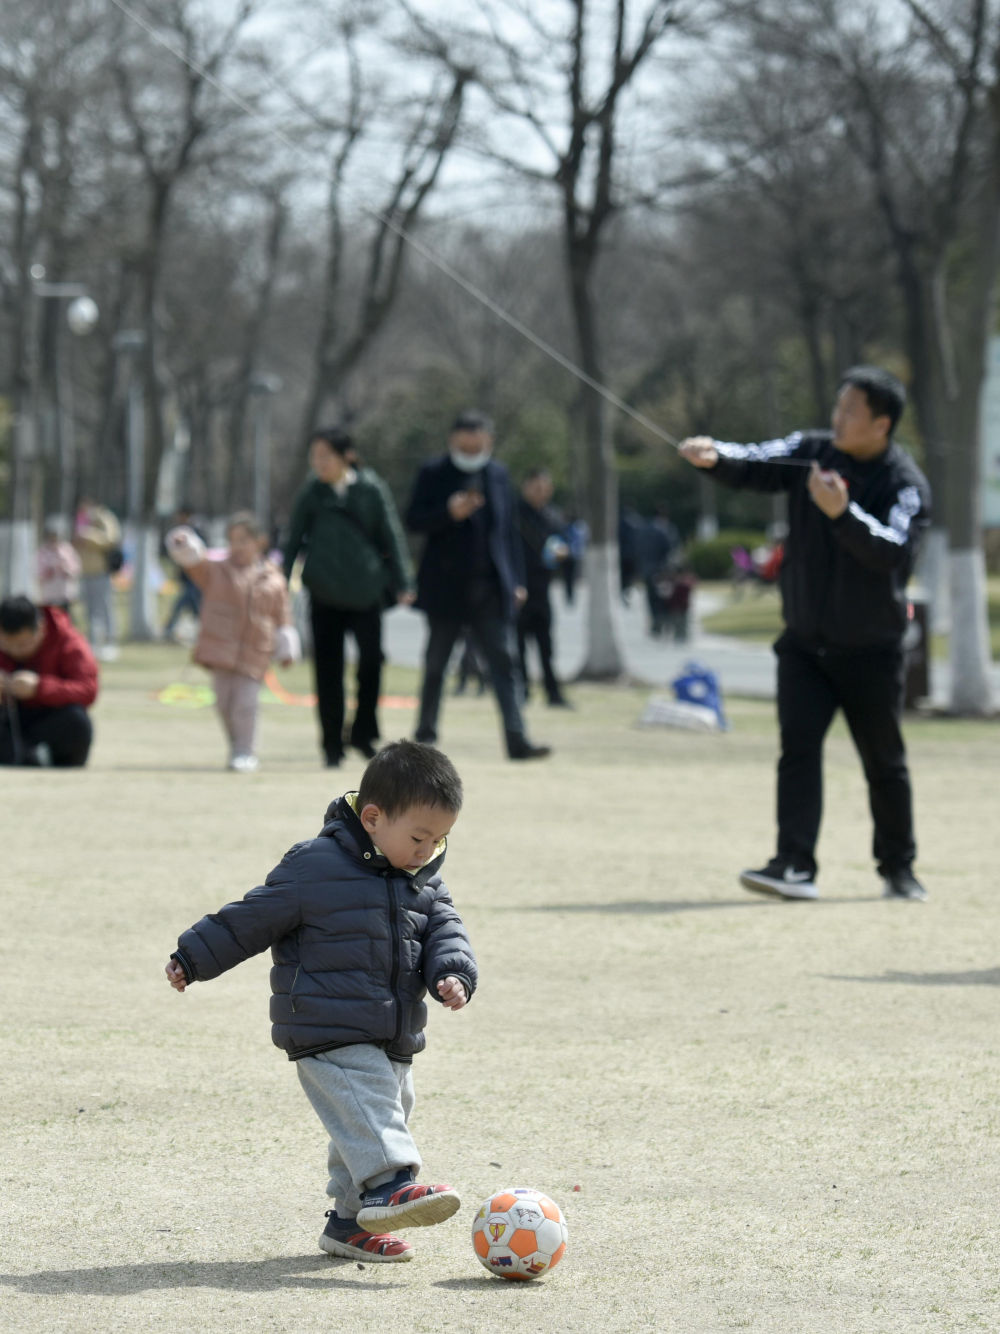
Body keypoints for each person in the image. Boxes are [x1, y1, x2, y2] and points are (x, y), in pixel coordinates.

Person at [164, 740, 477, 1264]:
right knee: (371, 1106)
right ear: (373, 818)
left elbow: (447, 932)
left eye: (439, 840)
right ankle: (390, 1185)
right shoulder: (316, 864)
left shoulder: (424, 881)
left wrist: (453, 973)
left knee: (384, 1109)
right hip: (324, 1021)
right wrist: (194, 957)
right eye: (418, 837)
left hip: (392, 1029)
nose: (426, 851)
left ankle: (351, 1224)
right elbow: (251, 918)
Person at [680, 364, 931, 902]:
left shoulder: (906, 485)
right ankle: (793, 863)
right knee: (798, 750)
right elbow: (760, 459)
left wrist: (843, 513)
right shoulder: (814, 450)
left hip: (871, 650)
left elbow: (892, 551)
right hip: (804, 644)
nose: (837, 419)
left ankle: (898, 867)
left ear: (881, 424)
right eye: (837, 407)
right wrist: (716, 456)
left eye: (851, 412)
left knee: (883, 760)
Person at [405, 410, 550, 760]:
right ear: (452, 441)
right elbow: (412, 519)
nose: (471, 453)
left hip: (490, 588)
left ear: (489, 442)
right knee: (436, 665)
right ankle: (424, 742)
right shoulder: (433, 473)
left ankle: (517, 739)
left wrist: (516, 580)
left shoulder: (498, 474)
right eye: (464, 446)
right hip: (445, 588)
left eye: (478, 446)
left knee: (505, 664)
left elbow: (508, 532)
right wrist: (448, 513)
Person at [283, 428, 414, 768]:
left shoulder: (371, 489)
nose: (319, 463)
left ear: (347, 457)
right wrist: (280, 581)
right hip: (324, 593)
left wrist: (404, 580)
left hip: (366, 591)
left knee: (372, 662)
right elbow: (293, 539)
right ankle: (331, 744)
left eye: (326, 456)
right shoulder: (312, 493)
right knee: (328, 671)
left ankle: (362, 732)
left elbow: (391, 534)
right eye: (315, 457)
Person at [166, 512, 300, 772]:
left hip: (256, 652)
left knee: (245, 705)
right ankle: (237, 745)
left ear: (259, 541)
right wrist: (184, 543)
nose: (237, 546)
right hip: (220, 650)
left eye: (243, 540)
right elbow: (194, 562)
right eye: (232, 540)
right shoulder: (216, 570)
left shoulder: (274, 578)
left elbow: (283, 615)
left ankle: (245, 751)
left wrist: (287, 647)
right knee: (224, 704)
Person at [0, 595, 98, 767]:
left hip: (50, 716)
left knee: (77, 721)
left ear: (41, 628)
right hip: (8, 721)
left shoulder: (68, 639)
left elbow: (87, 689)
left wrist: (39, 687)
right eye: (7, 645)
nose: (15, 651)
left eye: (23, 644)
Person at [516, 468, 571, 707]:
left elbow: (563, 545)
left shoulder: (554, 516)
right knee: (517, 647)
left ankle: (553, 693)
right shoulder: (513, 514)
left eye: (545, 489)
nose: (541, 493)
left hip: (543, 589)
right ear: (526, 487)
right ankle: (522, 692)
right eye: (536, 488)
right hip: (517, 590)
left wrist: (563, 554)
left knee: (546, 647)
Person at [73, 497, 121, 661]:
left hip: (100, 571)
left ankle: (110, 641)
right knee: (89, 609)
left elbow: (111, 539)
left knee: (104, 607)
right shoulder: (81, 519)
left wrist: (88, 535)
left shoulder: (104, 517)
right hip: (85, 571)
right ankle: (93, 642)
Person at [162, 507, 206, 640]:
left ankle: (170, 629)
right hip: (187, 577)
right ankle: (170, 629)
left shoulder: (196, 530)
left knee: (190, 605)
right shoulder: (178, 531)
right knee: (190, 605)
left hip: (196, 577)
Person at [636, 507, 680, 636]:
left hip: (647, 569)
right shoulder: (667, 530)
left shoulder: (643, 530)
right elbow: (670, 549)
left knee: (651, 598)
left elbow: (638, 550)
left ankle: (655, 622)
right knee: (663, 597)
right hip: (662, 570)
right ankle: (663, 621)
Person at [37, 518, 82, 614]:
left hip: (64, 592)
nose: (54, 539)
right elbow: (38, 571)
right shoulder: (42, 551)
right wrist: (48, 571)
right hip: (49, 593)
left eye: (55, 535)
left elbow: (76, 568)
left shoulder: (67, 549)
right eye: (51, 536)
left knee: (65, 618)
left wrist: (66, 569)